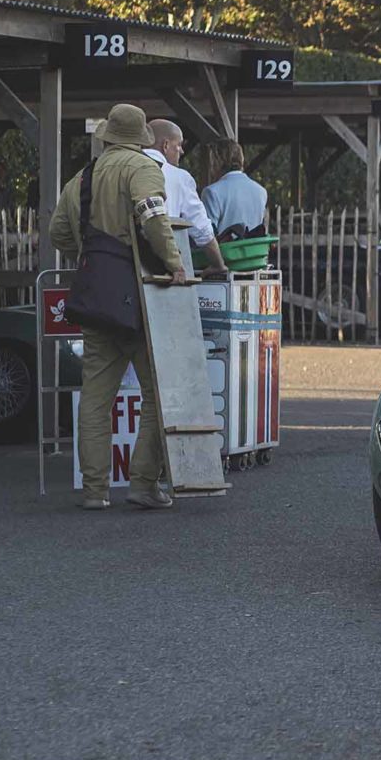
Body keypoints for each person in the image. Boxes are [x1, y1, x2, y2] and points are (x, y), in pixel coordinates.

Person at [48, 104, 187, 510]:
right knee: (157, 394)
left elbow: (59, 233)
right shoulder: (143, 169)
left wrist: (96, 254)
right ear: (140, 137)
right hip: (141, 299)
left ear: (108, 136)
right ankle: (143, 483)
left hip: (95, 297)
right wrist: (174, 263)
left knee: (95, 396)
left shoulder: (81, 178)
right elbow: (153, 216)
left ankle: (95, 490)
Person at [145, 120, 227, 276]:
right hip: (166, 270)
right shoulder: (179, 177)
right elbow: (202, 229)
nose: (182, 151)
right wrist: (218, 264)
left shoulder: (123, 171)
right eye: (179, 145)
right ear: (166, 145)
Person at [201, 140, 268, 239]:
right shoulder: (261, 192)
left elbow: (207, 237)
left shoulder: (212, 192)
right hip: (254, 253)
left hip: (224, 253)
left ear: (217, 162)